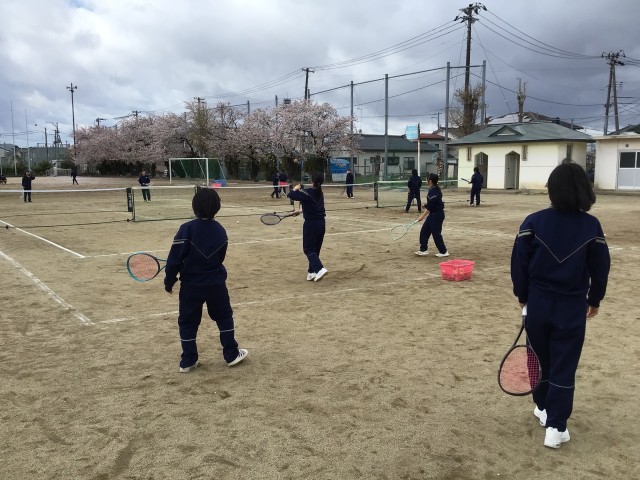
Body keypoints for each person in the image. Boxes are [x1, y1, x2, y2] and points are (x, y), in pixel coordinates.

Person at [510, 162, 610, 449]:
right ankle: (555, 424)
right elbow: (601, 267)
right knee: (563, 365)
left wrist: (522, 296)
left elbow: (519, 264)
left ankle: (544, 408)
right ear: (584, 190)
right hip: (571, 308)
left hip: (538, 304)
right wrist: (595, 299)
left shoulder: (534, 221)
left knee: (538, 359)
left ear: (552, 190)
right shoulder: (591, 225)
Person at [164, 187, 248, 372]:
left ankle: (188, 360)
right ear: (217, 207)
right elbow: (219, 258)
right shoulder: (220, 230)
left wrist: (169, 282)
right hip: (215, 283)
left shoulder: (186, 229)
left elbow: (174, 260)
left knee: (187, 321)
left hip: (191, 285)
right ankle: (231, 354)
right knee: (224, 316)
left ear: (195, 206)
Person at [287, 171, 328, 282]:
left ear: (312, 181)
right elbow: (313, 205)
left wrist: (295, 189)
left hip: (311, 224)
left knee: (308, 249)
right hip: (321, 223)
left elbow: (290, 195)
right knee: (315, 249)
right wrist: (300, 211)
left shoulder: (307, 192)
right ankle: (311, 272)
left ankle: (319, 269)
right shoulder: (320, 193)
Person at [414, 173, 448, 257]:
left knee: (436, 234)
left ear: (430, 181)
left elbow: (433, 204)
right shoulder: (434, 189)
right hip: (433, 214)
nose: (426, 180)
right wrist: (424, 213)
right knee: (424, 231)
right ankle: (423, 249)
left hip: (437, 215)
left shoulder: (433, 190)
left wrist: (426, 206)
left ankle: (443, 251)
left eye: (427, 179)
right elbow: (432, 204)